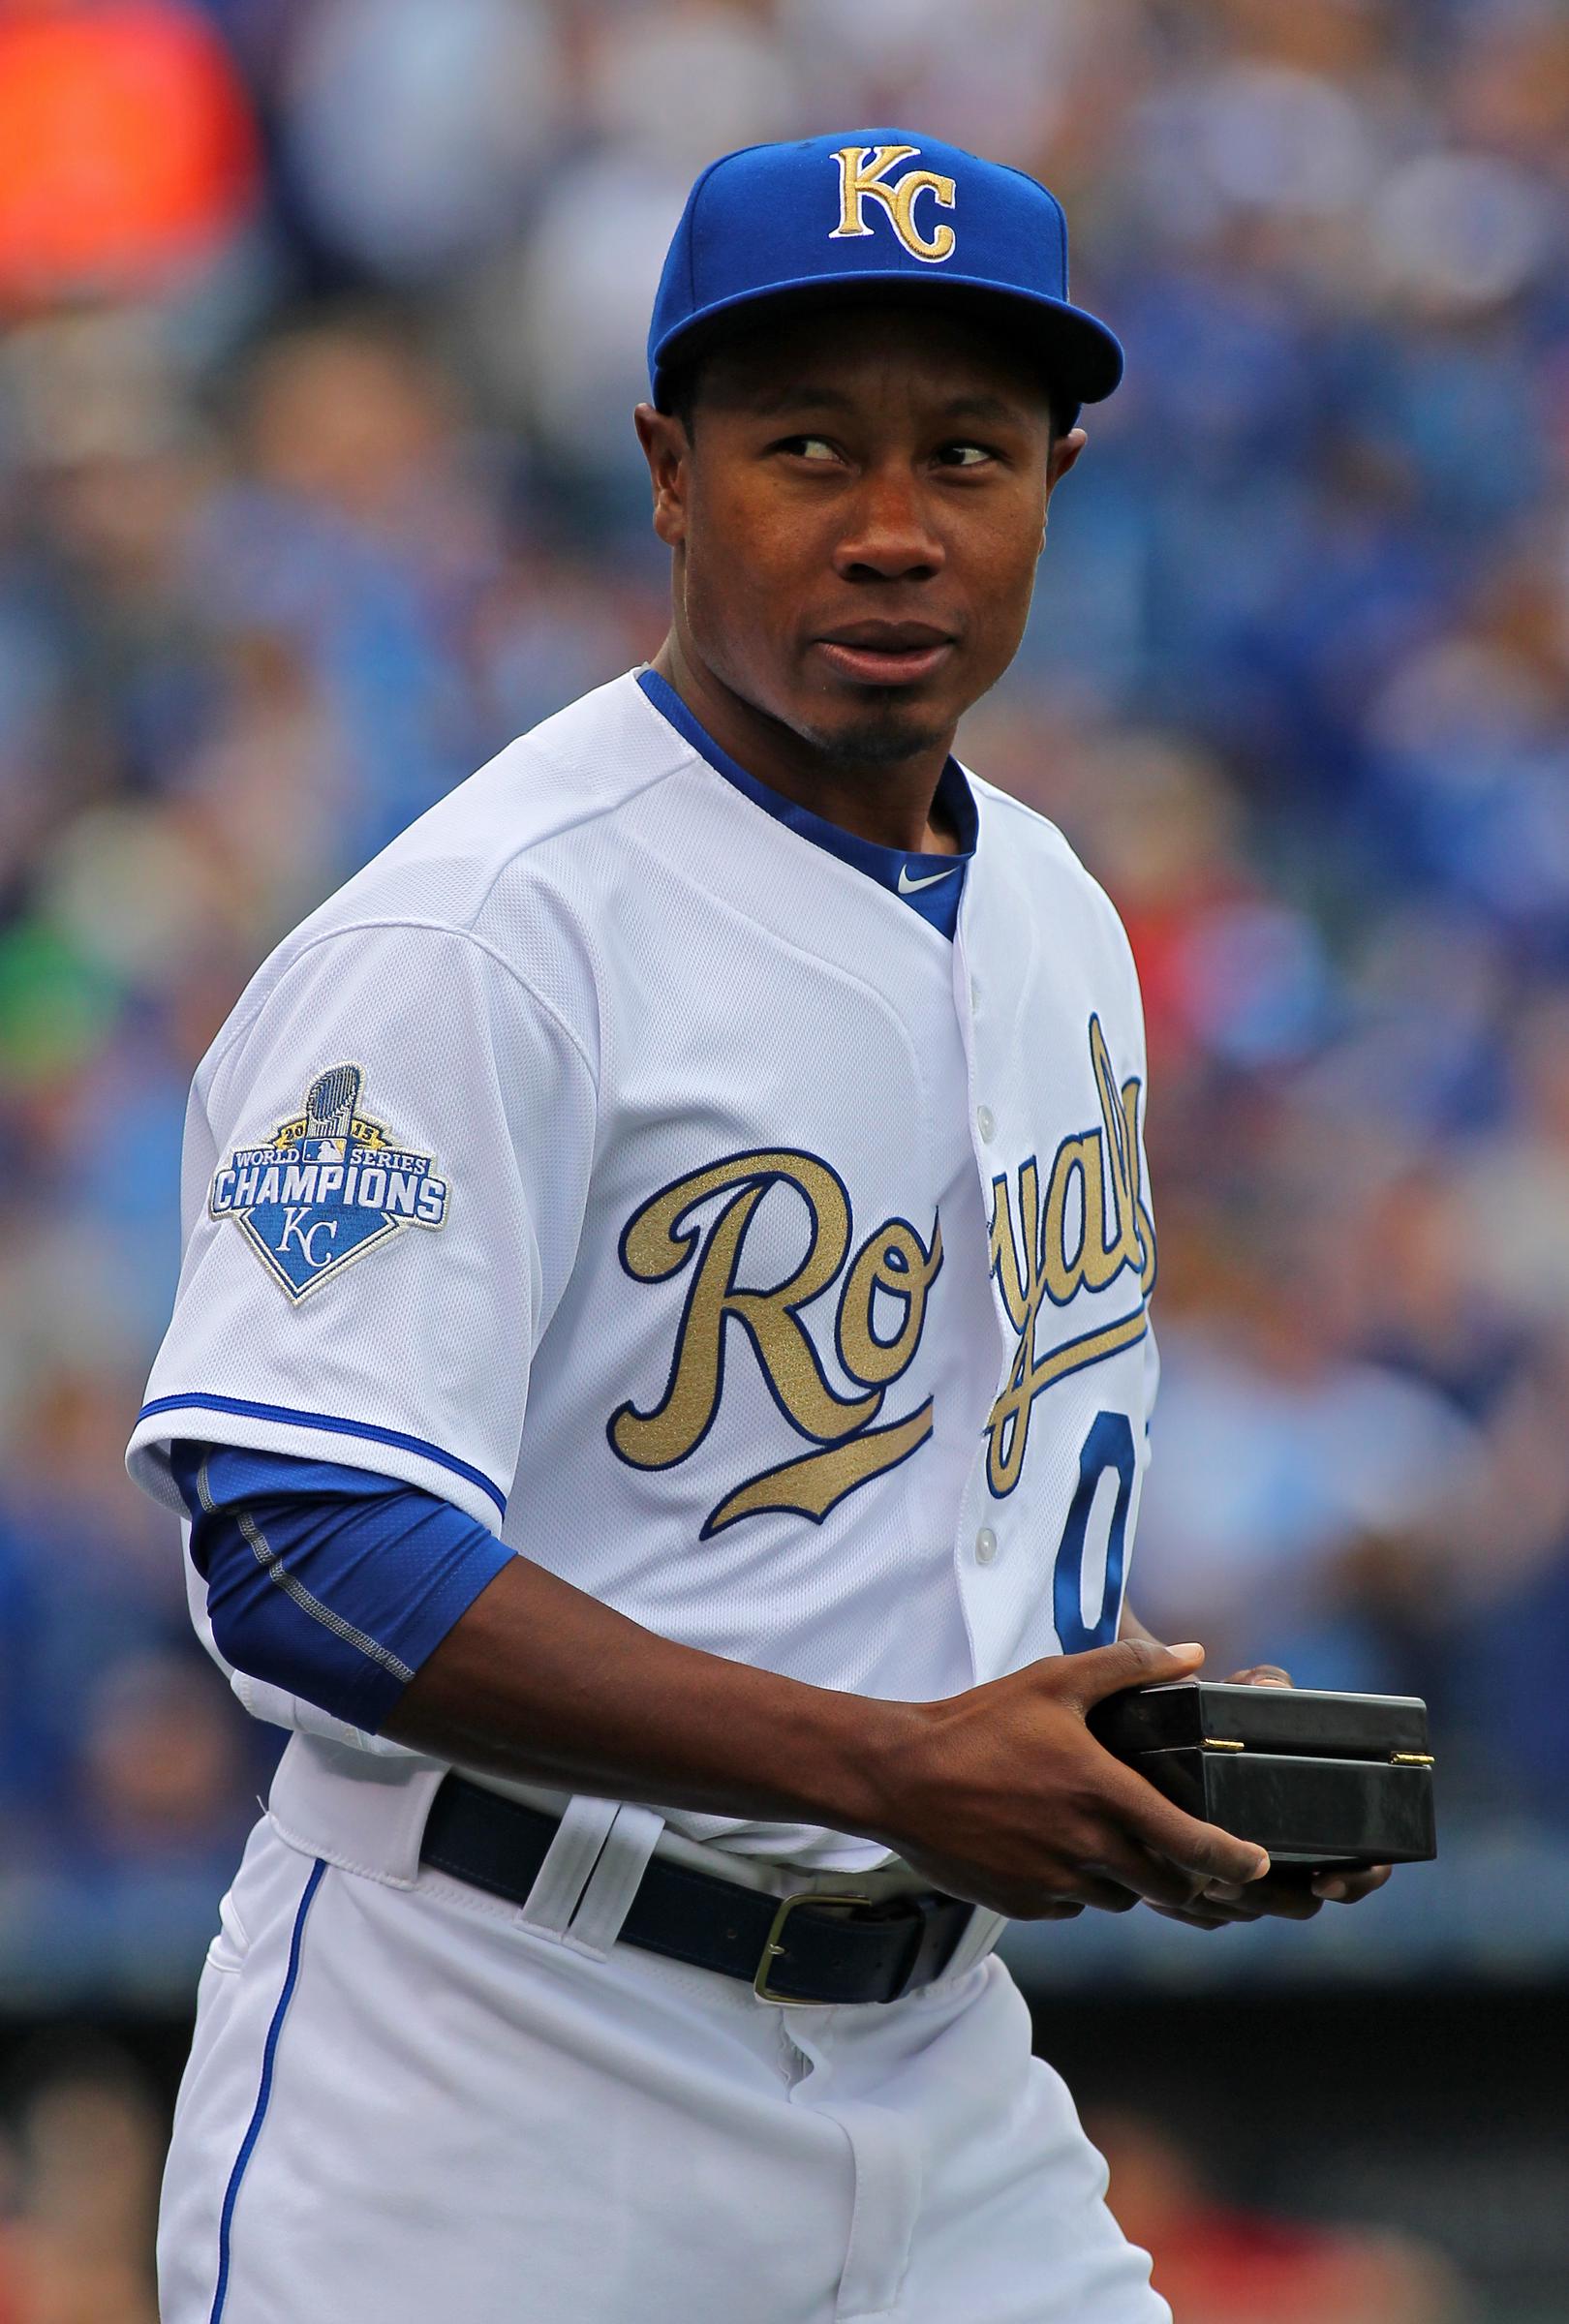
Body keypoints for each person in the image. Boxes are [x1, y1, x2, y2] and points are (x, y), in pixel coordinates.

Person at [128, 130, 1390, 2324]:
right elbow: (302, 1549)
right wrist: (891, 1768)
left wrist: (1116, 1766)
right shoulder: (483, 929)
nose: (893, 527)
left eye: (966, 454)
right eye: (809, 447)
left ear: (1056, 489)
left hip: (941, 2069)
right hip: (498, 2074)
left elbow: (884, 1531)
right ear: (670, 474)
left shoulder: (1064, 918)